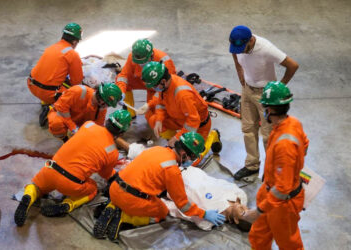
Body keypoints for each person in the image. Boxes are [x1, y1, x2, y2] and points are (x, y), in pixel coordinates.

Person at [93, 132, 226, 241]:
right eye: (192, 157)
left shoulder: (157, 149)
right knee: (162, 212)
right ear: (184, 154)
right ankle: (124, 218)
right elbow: (183, 205)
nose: (192, 161)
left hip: (114, 188)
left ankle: (113, 205)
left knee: (146, 195)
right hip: (130, 200)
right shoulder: (172, 170)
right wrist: (204, 213)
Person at [14, 110, 132, 227]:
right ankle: (68, 205)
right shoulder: (112, 152)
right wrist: (115, 175)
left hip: (50, 168)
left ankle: (29, 196)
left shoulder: (88, 124)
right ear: (121, 133)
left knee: (36, 186)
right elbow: (105, 174)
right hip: (70, 183)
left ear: (107, 120)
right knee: (93, 188)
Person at [239, 82, 308, 249]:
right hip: (270, 194)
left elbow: (282, 188)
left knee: (289, 244)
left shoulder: (285, 144)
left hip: (282, 205)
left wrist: (260, 210)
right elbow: (305, 144)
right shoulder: (293, 123)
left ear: (269, 110)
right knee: (258, 236)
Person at [229, 25, 299, 180]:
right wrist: (240, 72)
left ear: (251, 41)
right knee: (248, 129)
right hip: (247, 89)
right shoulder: (237, 45)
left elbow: (293, 65)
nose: (238, 51)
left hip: (265, 95)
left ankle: (271, 170)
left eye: (242, 48)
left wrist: (278, 88)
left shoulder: (266, 48)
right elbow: (234, 53)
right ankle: (252, 165)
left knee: (268, 136)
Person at [141, 61, 212, 148]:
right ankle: (173, 143)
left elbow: (193, 121)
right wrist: (159, 120)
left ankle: (213, 136)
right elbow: (161, 103)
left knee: (191, 154)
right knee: (154, 120)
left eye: (154, 86)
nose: (153, 88)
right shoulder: (166, 86)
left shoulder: (183, 95)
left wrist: (177, 137)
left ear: (163, 81)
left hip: (198, 126)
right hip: (180, 119)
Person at [115, 39, 176, 118]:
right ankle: (129, 112)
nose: (140, 64)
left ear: (151, 55)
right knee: (122, 82)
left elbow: (169, 89)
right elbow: (123, 76)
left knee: (152, 115)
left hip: (155, 87)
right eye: (138, 62)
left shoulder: (165, 62)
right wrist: (121, 92)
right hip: (142, 81)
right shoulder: (133, 56)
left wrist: (149, 104)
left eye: (143, 61)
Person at [28, 23, 84, 105]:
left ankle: (46, 100)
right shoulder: (73, 54)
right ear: (75, 42)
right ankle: (52, 108)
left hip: (31, 85)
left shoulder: (51, 47)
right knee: (80, 94)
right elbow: (76, 82)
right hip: (49, 94)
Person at [45, 83, 122, 141]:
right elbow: (62, 109)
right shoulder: (78, 91)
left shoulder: (101, 107)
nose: (107, 107)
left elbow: (99, 125)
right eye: (107, 104)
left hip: (77, 120)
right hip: (61, 114)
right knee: (56, 124)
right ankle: (65, 139)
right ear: (102, 100)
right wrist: (73, 128)